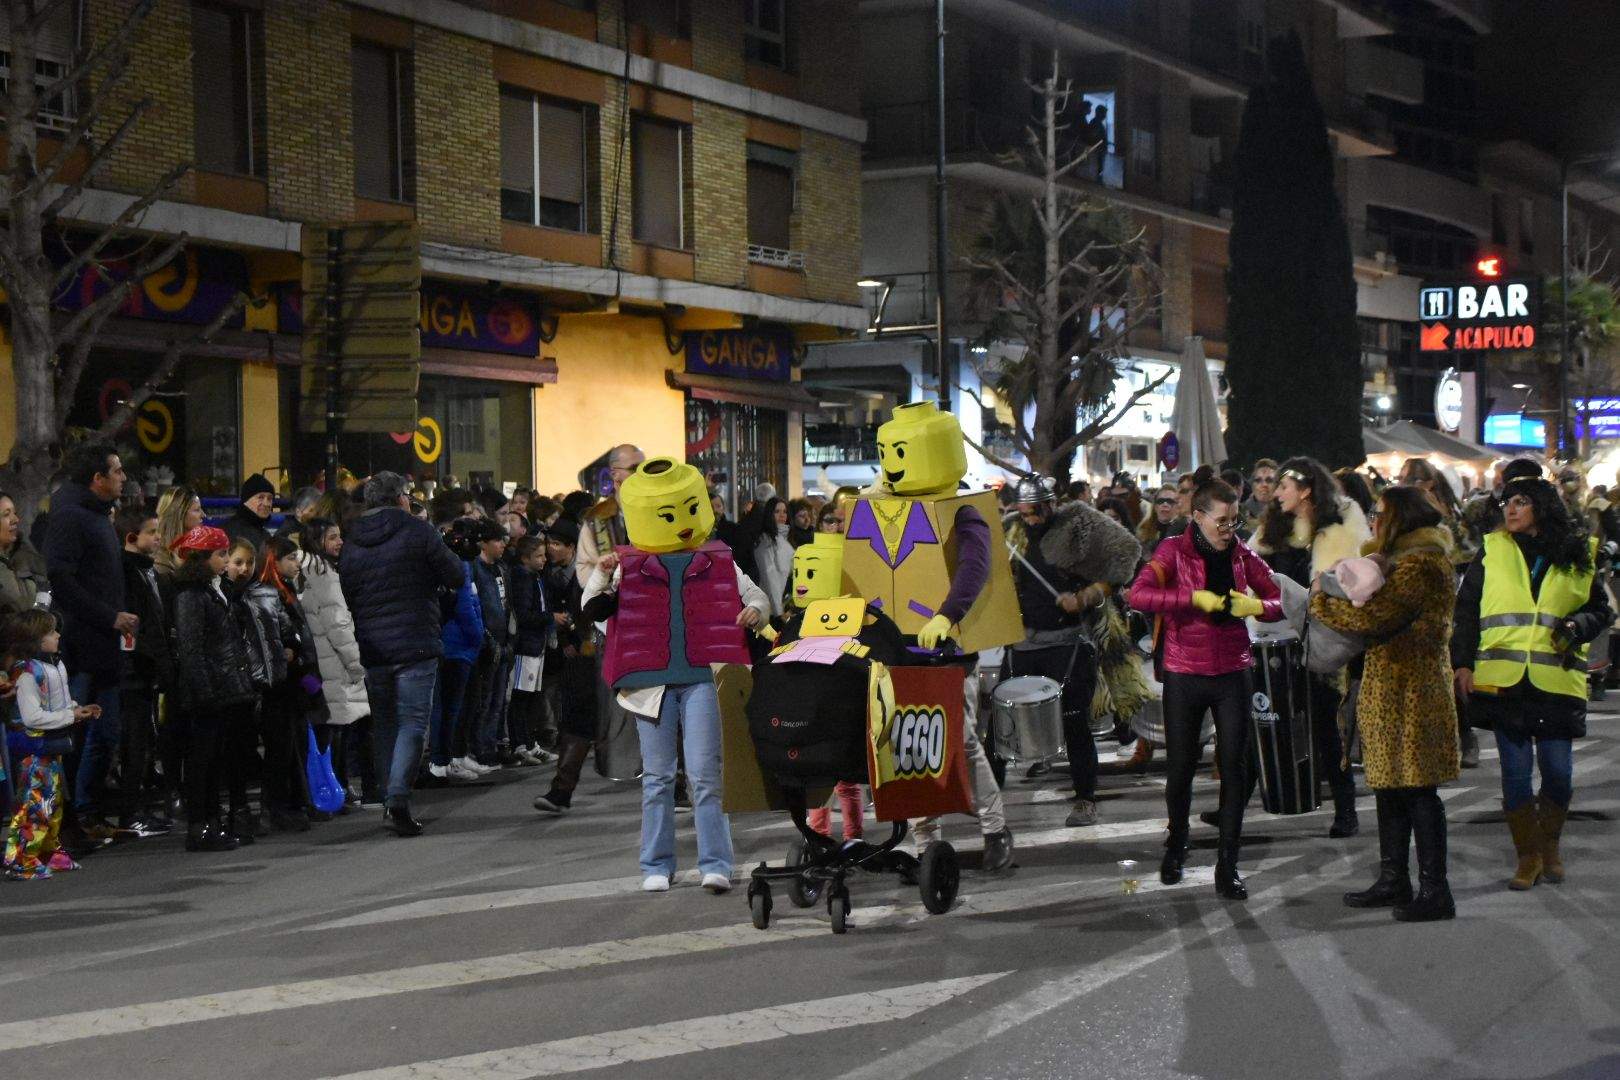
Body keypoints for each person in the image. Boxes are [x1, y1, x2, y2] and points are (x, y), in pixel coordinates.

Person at [842, 402, 1022, 872]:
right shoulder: (885, 507)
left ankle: (995, 827)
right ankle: (925, 843)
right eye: (887, 453)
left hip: (947, 649)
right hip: (895, 646)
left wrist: (947, 614)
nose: (892, 463)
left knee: (958, 740)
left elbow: (976, 565)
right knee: (908, 745)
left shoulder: (963, 508)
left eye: (902, 453)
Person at [583, 457, 767, 892]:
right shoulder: (625, 564)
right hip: (650, 682)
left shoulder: (719, 560)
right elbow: (595, 614)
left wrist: (755, 611)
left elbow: (755, 594)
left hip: (704, 676)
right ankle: (655, 865)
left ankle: (716, 861)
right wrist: (601, 576)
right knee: (659, 777)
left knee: (705, 774)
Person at [1453, 476, 1609, 892]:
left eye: (1521, 502)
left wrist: (1578, 625)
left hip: (1556, 678)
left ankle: (1550, 847)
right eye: (1507, 502)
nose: (1511, 510)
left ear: (1541, 505)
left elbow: (1601, 611)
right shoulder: (1491, 549)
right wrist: (1462, 664)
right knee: (1516, 776)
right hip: (1505, 680)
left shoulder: (1580, 552)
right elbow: (1466, 612)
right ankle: (1528, 856)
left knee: (1558, 773)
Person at [1129, 478, 1283, 900]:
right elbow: (1139, 595)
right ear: (1197, 516)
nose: (1229, 528)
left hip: (1233, 671)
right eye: (1221, 520)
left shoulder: (1242, 552)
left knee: (1235, 767)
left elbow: (1279, 597)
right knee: (1180, 768)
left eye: (1235, 520)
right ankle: (1176, 843)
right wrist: (1191, 599)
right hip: (1184, 672)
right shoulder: (1173, 551)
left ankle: (1227, 864)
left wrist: (1256, 606)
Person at [1311, 486, 1459, 921]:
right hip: (1388, 687)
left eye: (1380, 512)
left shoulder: (1421, 565)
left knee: (1417, 789)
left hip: (1415, 691)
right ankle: (1394, 879)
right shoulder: (1397, 562)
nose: (1373, 518)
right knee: (1390, 787)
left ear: (1401, 518)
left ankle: (1436, 890)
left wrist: (1322, 599)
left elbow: (1373, 618)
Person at [1004, 476, 1141, 827]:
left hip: (1068, 642)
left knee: (1074, 722)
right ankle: (990, 810)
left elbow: (1126, 555)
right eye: (1024, 513)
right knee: (1000, 727)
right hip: (1023, 642)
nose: (1030, 520)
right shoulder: (1010, 531)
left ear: (1050, 505)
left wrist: (1084, 597)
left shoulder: (1079, 522)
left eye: (1034, 512)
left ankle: (1085, 799)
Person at [339, 471, 467, 837]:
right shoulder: (418, 531)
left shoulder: (352, 542)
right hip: (415, 641)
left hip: (374, 646)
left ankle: (387, 796)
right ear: (401, 499)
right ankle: (398, 797)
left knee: (385, 725)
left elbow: (349, 593)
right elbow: (455, 574)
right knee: (413, 722)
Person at [1250, 456, 1369, 837]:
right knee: (1261, 721)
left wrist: (1324, 588)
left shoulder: (1338, 530)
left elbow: (1356, 582)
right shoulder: (1271, 531)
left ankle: (1345, 807)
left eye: (1283, 486)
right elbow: (1250, 574)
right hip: (1274, 644)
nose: (1275, 492)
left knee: (1325, 728)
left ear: (1304, 490)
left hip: (1322, 644)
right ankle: (1239, 804)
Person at [43, 440, 134, 837]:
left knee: (107, 732)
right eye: (117, 471)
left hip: (106, 649)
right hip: (82, 648)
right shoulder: (70, 517)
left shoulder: (98, 516)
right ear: (97, 479)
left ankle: (89, 813)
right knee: (74, 736)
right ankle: (67, 822)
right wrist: (109, 616)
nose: (123, 477)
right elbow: (63, 581)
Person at [168, 525, 258, 853]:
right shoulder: (191, 595)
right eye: (220, 554)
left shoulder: (211, 590)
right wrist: (205, 693)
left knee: (213, 761)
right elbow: (192, 648)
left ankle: (211, 823)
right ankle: (200, 826)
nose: (224, 560)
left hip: (221, 689)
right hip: (207, 693)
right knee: (202, 763)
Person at [4, 609, 98, 879]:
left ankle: (48, 852)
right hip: (33, 751)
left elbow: (58, 702)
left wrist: (77, 709)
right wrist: (69, 715)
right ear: (35, 639)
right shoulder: (26, 673)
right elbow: (32, 717)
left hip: (52, 746)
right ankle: (22, 859)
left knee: (52, 803)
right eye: (51, 632)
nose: (57, 635)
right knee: (33, 805)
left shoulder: (55, 665)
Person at [247, 536, 325, 831]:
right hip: (278, 682)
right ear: (273, 561)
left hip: (293, 678)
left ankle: (297, 802)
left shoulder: (286, 589)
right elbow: (273, 636)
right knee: (281, 747)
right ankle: (278, 807)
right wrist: (290, 651)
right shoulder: (267, 593)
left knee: (296, 744)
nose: (297, 563)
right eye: (290, 558)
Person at [297, 518, 370, 804]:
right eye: (332, 537)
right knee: (333, 732)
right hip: (334, 665)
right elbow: (338, 626)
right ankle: (333, 789)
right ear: (317, 542)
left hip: (321, 663)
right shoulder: (323, 574)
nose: (340, 542)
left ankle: (332, 788)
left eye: (340, 536)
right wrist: (356, 664)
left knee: (329, 730)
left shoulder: (307, 571)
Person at [115, 505, 177, 836]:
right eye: (152, 532)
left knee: (145, 744)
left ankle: (140, 808)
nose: (158, 538)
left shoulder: (148, 571)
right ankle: (129, 813)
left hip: (148, 671)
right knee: (133, 744)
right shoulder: (125, 573)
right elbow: (137, 630)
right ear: (131, 537)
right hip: (133, 671)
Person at [533, 518, 596, 814]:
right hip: (587, 656)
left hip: (618, 653)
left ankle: (676, 785)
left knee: (653, 717)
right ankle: (561, 790)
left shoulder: (592, 572)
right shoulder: (561, 575)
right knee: (577, 719)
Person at [429, 518, 485, 784]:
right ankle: (442, 760)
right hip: (457, 646)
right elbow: (466, 608)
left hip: (457, 646)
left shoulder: (463, 567)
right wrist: (478, 638)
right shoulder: (459, 568)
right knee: (450, 708)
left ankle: (448, 758)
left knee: (454, 707)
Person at [467, 517, 516, 768]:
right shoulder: (474, 568)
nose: (503, 544)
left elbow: (506, 607)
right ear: (482, 543)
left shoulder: (501, 570)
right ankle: (479, 748)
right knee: (483, 701)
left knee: (498, 700)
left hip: (503, 642)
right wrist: (487, 639)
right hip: (485, 645)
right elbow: (478, 608)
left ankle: (491, 745)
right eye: (497, 540)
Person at [508, 535, 560, 766]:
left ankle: (529, 743)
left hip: (536, 646)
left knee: (530, 697)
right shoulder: (522, 578)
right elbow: (525, 614)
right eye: (538, 556)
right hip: (525, 646)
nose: (544, 560)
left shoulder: (535, 577)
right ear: (525, 558)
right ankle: (520, 744)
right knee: (521, 697)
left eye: (544, 555)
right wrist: (550, 618)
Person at [577, 444, 645, 586]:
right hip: (611, 601)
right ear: (614, 474)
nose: (642, 474)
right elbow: (585, 570)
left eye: (644, 468)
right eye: (634, 468)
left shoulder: (658, 512)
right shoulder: (596, 518)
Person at [0, 491, 47, 616]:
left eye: (14, 513)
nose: (15, 519)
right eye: (6, 515)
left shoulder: (26, 555)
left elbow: (45, 590)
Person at [752, 497, 795, 620]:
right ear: (769, 514)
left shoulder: (786, 540)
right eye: (777, 511)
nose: (782, 515)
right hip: (769, 610)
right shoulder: (765, 540)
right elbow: (769, 576)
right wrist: (779, 611)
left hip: (783, 605)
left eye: (785, 511)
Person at [153, 486, 205, 582]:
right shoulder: (160, 560)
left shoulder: (197, 550)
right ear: (179, 514)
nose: (203, 515)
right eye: (197, 510)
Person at [223, 474, 276, 558]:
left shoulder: (265, 534)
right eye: (260, 497)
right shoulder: (231, 532)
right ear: (246, 500)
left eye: (269, 499)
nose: (266, 504)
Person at [1137, 483, 1186, 558]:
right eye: (1161, 501)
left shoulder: (1185, 530)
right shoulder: (1143, 530)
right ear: (1155, 507)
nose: (1165, 504)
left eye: (1170, 501)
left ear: (1177, 507)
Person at [1241, 458, 1279, 534]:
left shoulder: (1286, 513)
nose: (1264, 485)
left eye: (1269, 480)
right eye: (1258, 480)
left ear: (1278, 485)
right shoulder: (1240, 514)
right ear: (1252, 485)